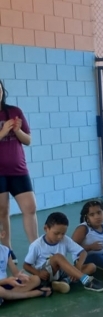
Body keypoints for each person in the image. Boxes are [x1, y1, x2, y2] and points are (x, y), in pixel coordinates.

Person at [23, 212, 103, 293]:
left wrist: (78, 267)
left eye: (63, 233)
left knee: (91, 266)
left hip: (61, 273)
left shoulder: (65, 239)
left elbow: (83, 253)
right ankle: (86, 281)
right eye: (56, 233)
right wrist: (38, 273)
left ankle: (64, 282)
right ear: (46, 228)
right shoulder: (36, 245)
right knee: (57, 257)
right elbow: (26, 265)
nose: (60, 236)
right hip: (45, 275)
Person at [0, 79, 38, 251]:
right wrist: (3, 132)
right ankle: (7, 251)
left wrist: (17, 130)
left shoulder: (14, 111)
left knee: (30, 207)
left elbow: (28, 140)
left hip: (18, 169)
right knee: (3, 211)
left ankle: (36, 249)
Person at [0, 223, 49, 305]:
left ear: (2, 234)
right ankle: (33, 294)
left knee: (35, 279)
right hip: (2, 284)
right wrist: (5, 281)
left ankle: (7, 297)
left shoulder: (5, 251)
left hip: (7, 284)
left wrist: (20, 276)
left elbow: (15, 273)